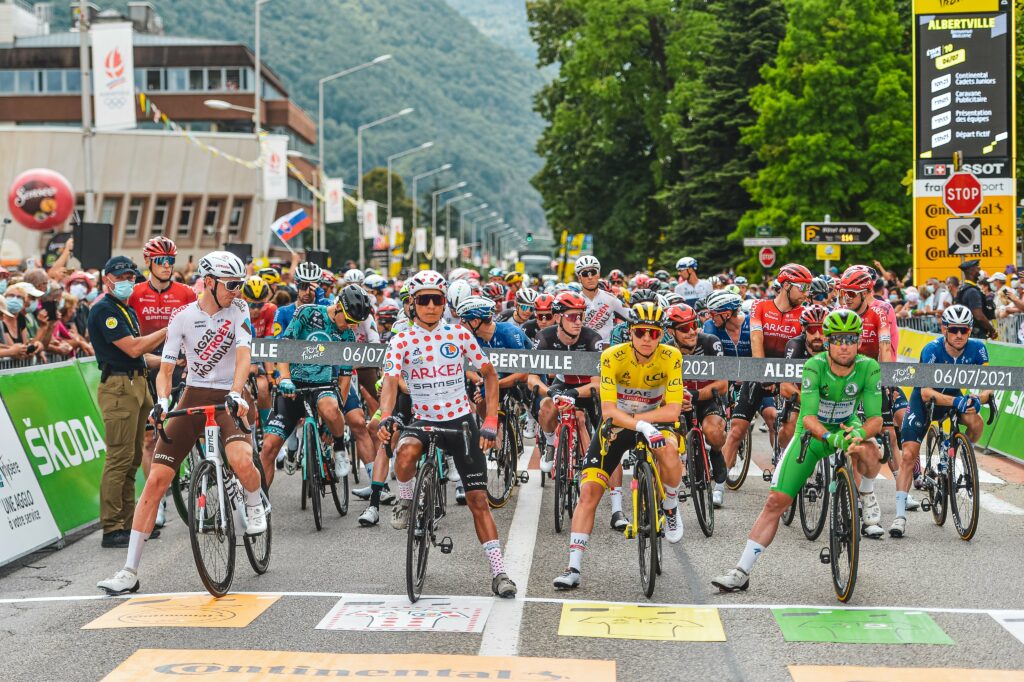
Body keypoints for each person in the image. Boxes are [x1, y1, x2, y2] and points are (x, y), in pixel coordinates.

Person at [97, 251, 265, 595]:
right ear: (209, 283)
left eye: (240, 284)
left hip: (229, 393)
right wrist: (161, 402)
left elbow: (245, 356)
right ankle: (129, 570)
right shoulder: (182, 317)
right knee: (157, 479)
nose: (237, 291)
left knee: (241, 460)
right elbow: (168, 368)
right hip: (193, 394)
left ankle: (253, 501)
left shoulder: (240, 311)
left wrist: (236, 392)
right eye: (232, 285)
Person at [712, 309, 884, 593]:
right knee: (775, 503)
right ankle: (741, 571)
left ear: (858, 342)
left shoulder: (869, 367)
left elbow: (875, 418)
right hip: (812, 434)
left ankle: (864, 493)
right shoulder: (815, 365)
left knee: (871, 450)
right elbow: (808, 418)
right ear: (828, 341)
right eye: (838, 339)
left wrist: (860, 434)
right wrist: (832, 438)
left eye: (850, 339)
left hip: (847, 427)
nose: (844, 345)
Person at [377, 270, 517, 598]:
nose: (429, 306)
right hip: (423, 418)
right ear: (412, 304)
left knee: (477, 500)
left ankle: (499, 572)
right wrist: (386, 417)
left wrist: (491, 421)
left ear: (444, 304)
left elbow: (490, 375)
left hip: (460, 421)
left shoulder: (459, 335)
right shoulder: (401, 339)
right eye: (422, 300)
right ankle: (407, 500)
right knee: (406, 451)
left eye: (436, 300)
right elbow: (390, 380)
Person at [553, 301, 685, 590]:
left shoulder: (671, 356)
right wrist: (638, 423)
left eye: (653, 333)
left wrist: (641, 421)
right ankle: (573, 567)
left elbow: (673, 411)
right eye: (640, 333)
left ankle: (671, 505)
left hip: (656, 421)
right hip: (618, 425)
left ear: (662, 335)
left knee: (670, 450)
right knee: (588, 491)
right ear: (630, 333)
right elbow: (609, 411)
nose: (647, 339)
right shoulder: (613, 356)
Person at [891, 304, 991, 538]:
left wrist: (978, 398)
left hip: (953, 396)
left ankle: (961, 451)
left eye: (964, 330)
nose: (959, 335)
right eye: (954, 329)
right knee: (908, 455)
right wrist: (955, 402)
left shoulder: (978, 349)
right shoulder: (932, 349)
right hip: (925, 401)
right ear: (944, 329)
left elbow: (989, 385)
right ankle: (899, 516)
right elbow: (926, 392)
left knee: (976, 422)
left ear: (970, 331)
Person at [87, 256, 167, 549]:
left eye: (132, 276)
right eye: (121, 276)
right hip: (119, 387)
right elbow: (133, 348)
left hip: (135, 382)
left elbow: (139, 355)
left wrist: (171, 359)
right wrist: (169, 329)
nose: (127, 281)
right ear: (107, 278)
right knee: (119, 458)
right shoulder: (105, 310)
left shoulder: (124, 309)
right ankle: (112, 527)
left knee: (133, 457)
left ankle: (129, 522)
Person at [718, 264, 811, 505]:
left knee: (778, 422)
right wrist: (763, 373)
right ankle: (717, 484)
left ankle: (782, 463)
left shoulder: (804, 313)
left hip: (789, 373)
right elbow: (757, 338)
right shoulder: (761, 307)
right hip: (760, 371)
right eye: (803, 288)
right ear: (787, 285)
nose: (807, 293)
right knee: (737, 427)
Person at [127, 236, 197, 527]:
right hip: (148, 366)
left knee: (191, 430)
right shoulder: (134, 293)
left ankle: (203, 483)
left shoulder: (186, 293)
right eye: (161, 261)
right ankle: (159, 500)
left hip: (180, 366)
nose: (167, 266)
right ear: (149, 263)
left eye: (170, 261)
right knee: (149, 438)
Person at [528, 291, 601, 475]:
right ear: (559, 317)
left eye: (581, 316)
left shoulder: (592, 338)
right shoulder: (544, 337)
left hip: (586, 389)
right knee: (545, 406)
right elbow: (532, 379)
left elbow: (598, 384)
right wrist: (550, 392)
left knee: (602, 436)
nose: (578, 321)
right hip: (563, 384)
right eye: (572, 316)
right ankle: (551, 444)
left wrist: (575, 394)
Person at [666, 303, 728, 506]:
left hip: (707, 397)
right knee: (669, 442)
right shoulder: (664, 350)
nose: (692, 331)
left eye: (693, 325)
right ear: (671, 331)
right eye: (684, 328)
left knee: (714, 433)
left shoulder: (711, 342)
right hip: (678, 400)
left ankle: (716, 459)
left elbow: (723, 384)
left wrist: (694, 394)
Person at [575, 255, 629, 347]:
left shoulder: (610, 299)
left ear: (598, 274)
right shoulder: (575, 301)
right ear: (579, 278)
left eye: (593, 272)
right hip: (584, 351)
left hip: (608, 350)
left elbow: (632, 316)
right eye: (585, 274)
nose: (590, 277)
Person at [956, 259, 998, 340]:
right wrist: (992, 330)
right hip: (975, 334)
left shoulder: (963, 289)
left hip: (966, 332)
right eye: (977, 268)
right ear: (971, 271)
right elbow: (979, 315)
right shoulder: (973, 291)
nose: (979, 271)